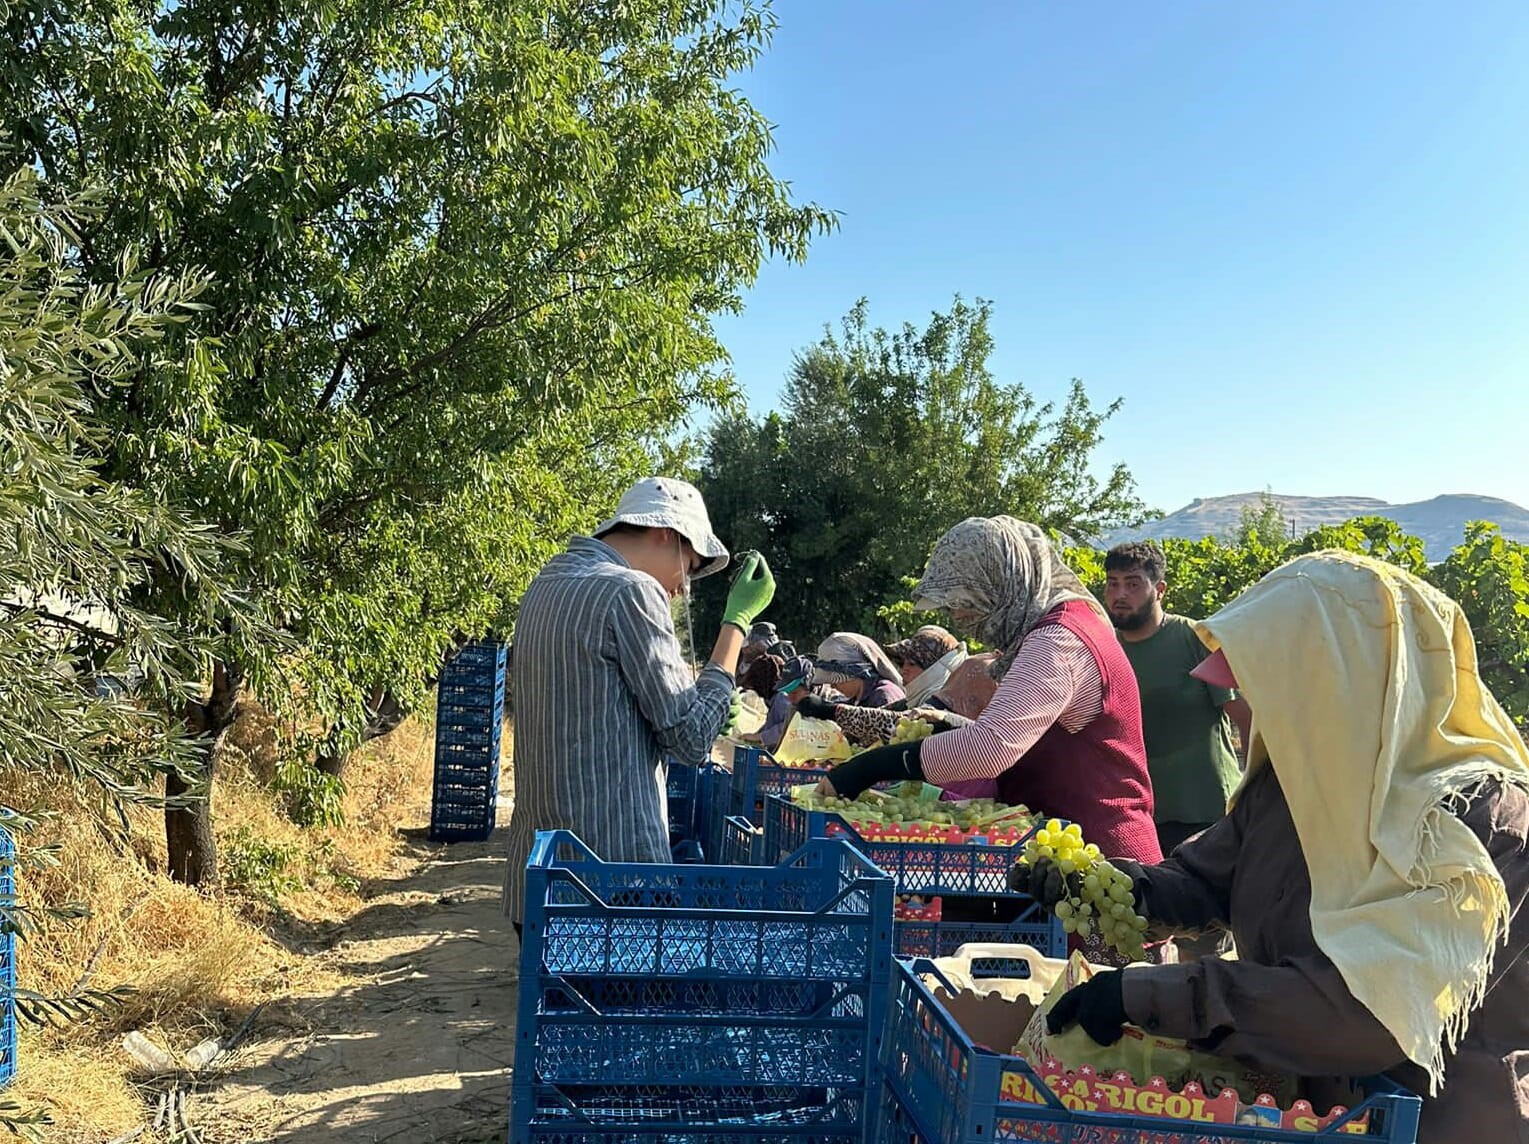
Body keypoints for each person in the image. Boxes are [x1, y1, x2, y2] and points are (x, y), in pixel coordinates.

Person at [1034, 552, 1529, 1142]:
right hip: (1322, 1109)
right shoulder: (1295, 781)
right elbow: (1208, 879)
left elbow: (1366, 1009)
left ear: (1349, 682)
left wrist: (1147, 993)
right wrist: (1115, 887)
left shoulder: (1477, 823)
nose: (1259, 706)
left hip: (1448, 1122)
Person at [501, 477, 776, 934]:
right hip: (613, 878)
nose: (683, 588)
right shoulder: (629, 590)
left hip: (541, 880)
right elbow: (690, 740)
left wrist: (701, 697)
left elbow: (599, 711)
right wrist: (736, 626)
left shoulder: (547, 584)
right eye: (688, 566)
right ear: (664, 533)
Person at [817, 517, 1161, 868]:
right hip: (1065, 856)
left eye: (965, 598)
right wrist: (949, 728)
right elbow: (1018, 733)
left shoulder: (1057, 641)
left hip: (1102, 859)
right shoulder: (1063, 625)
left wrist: (868, 768)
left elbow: (992, 747)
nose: (958, 614)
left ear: (1000, 581)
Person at [1103, 541, 1252, 857]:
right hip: (1139, 818)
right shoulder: (1106, 649)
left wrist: (1254, 797)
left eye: (1133, 584)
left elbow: (1246, 717)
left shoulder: (1194, 638)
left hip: (1208, 815)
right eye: (1113, 584)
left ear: (1160, 590)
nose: (1120, 595)